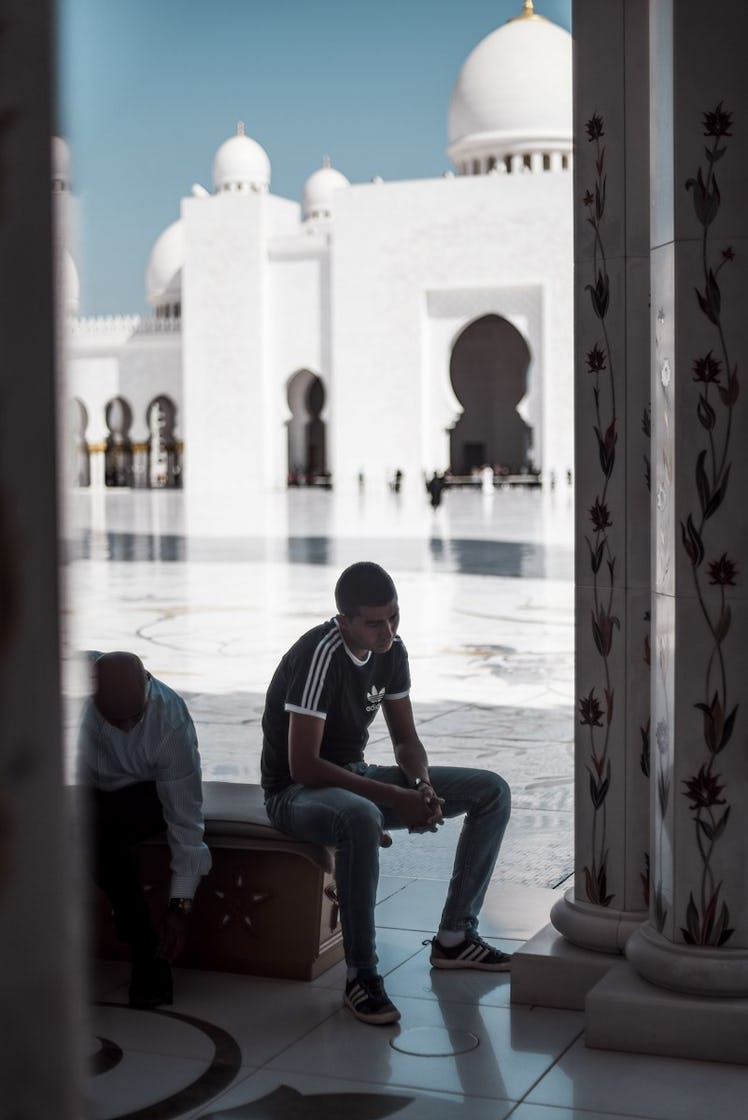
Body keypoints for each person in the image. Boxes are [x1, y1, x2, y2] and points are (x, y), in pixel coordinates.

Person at [261, 562, 511, 1026]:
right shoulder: (321, 653)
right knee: (358, 815)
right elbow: (304, 766)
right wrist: (393, 799)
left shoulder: (392, 651)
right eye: (375, 622)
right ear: (344, 621)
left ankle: (456, 937)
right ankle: (362, 975)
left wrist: (422, 787)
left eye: (394, 617)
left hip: (350, 777)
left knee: (491, 791)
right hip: (295, 794)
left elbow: (406, 741)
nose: (388, 630)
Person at [78, 651, 212, 1008]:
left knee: (102, 838)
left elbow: (186, 818)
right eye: (115, 719)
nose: (126, 728)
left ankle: (143, 947)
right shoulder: (65, 700)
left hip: (144, 792)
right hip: (83, 792)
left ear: (148, 682)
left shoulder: (170, 719)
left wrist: (179, 906)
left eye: (134, 717)